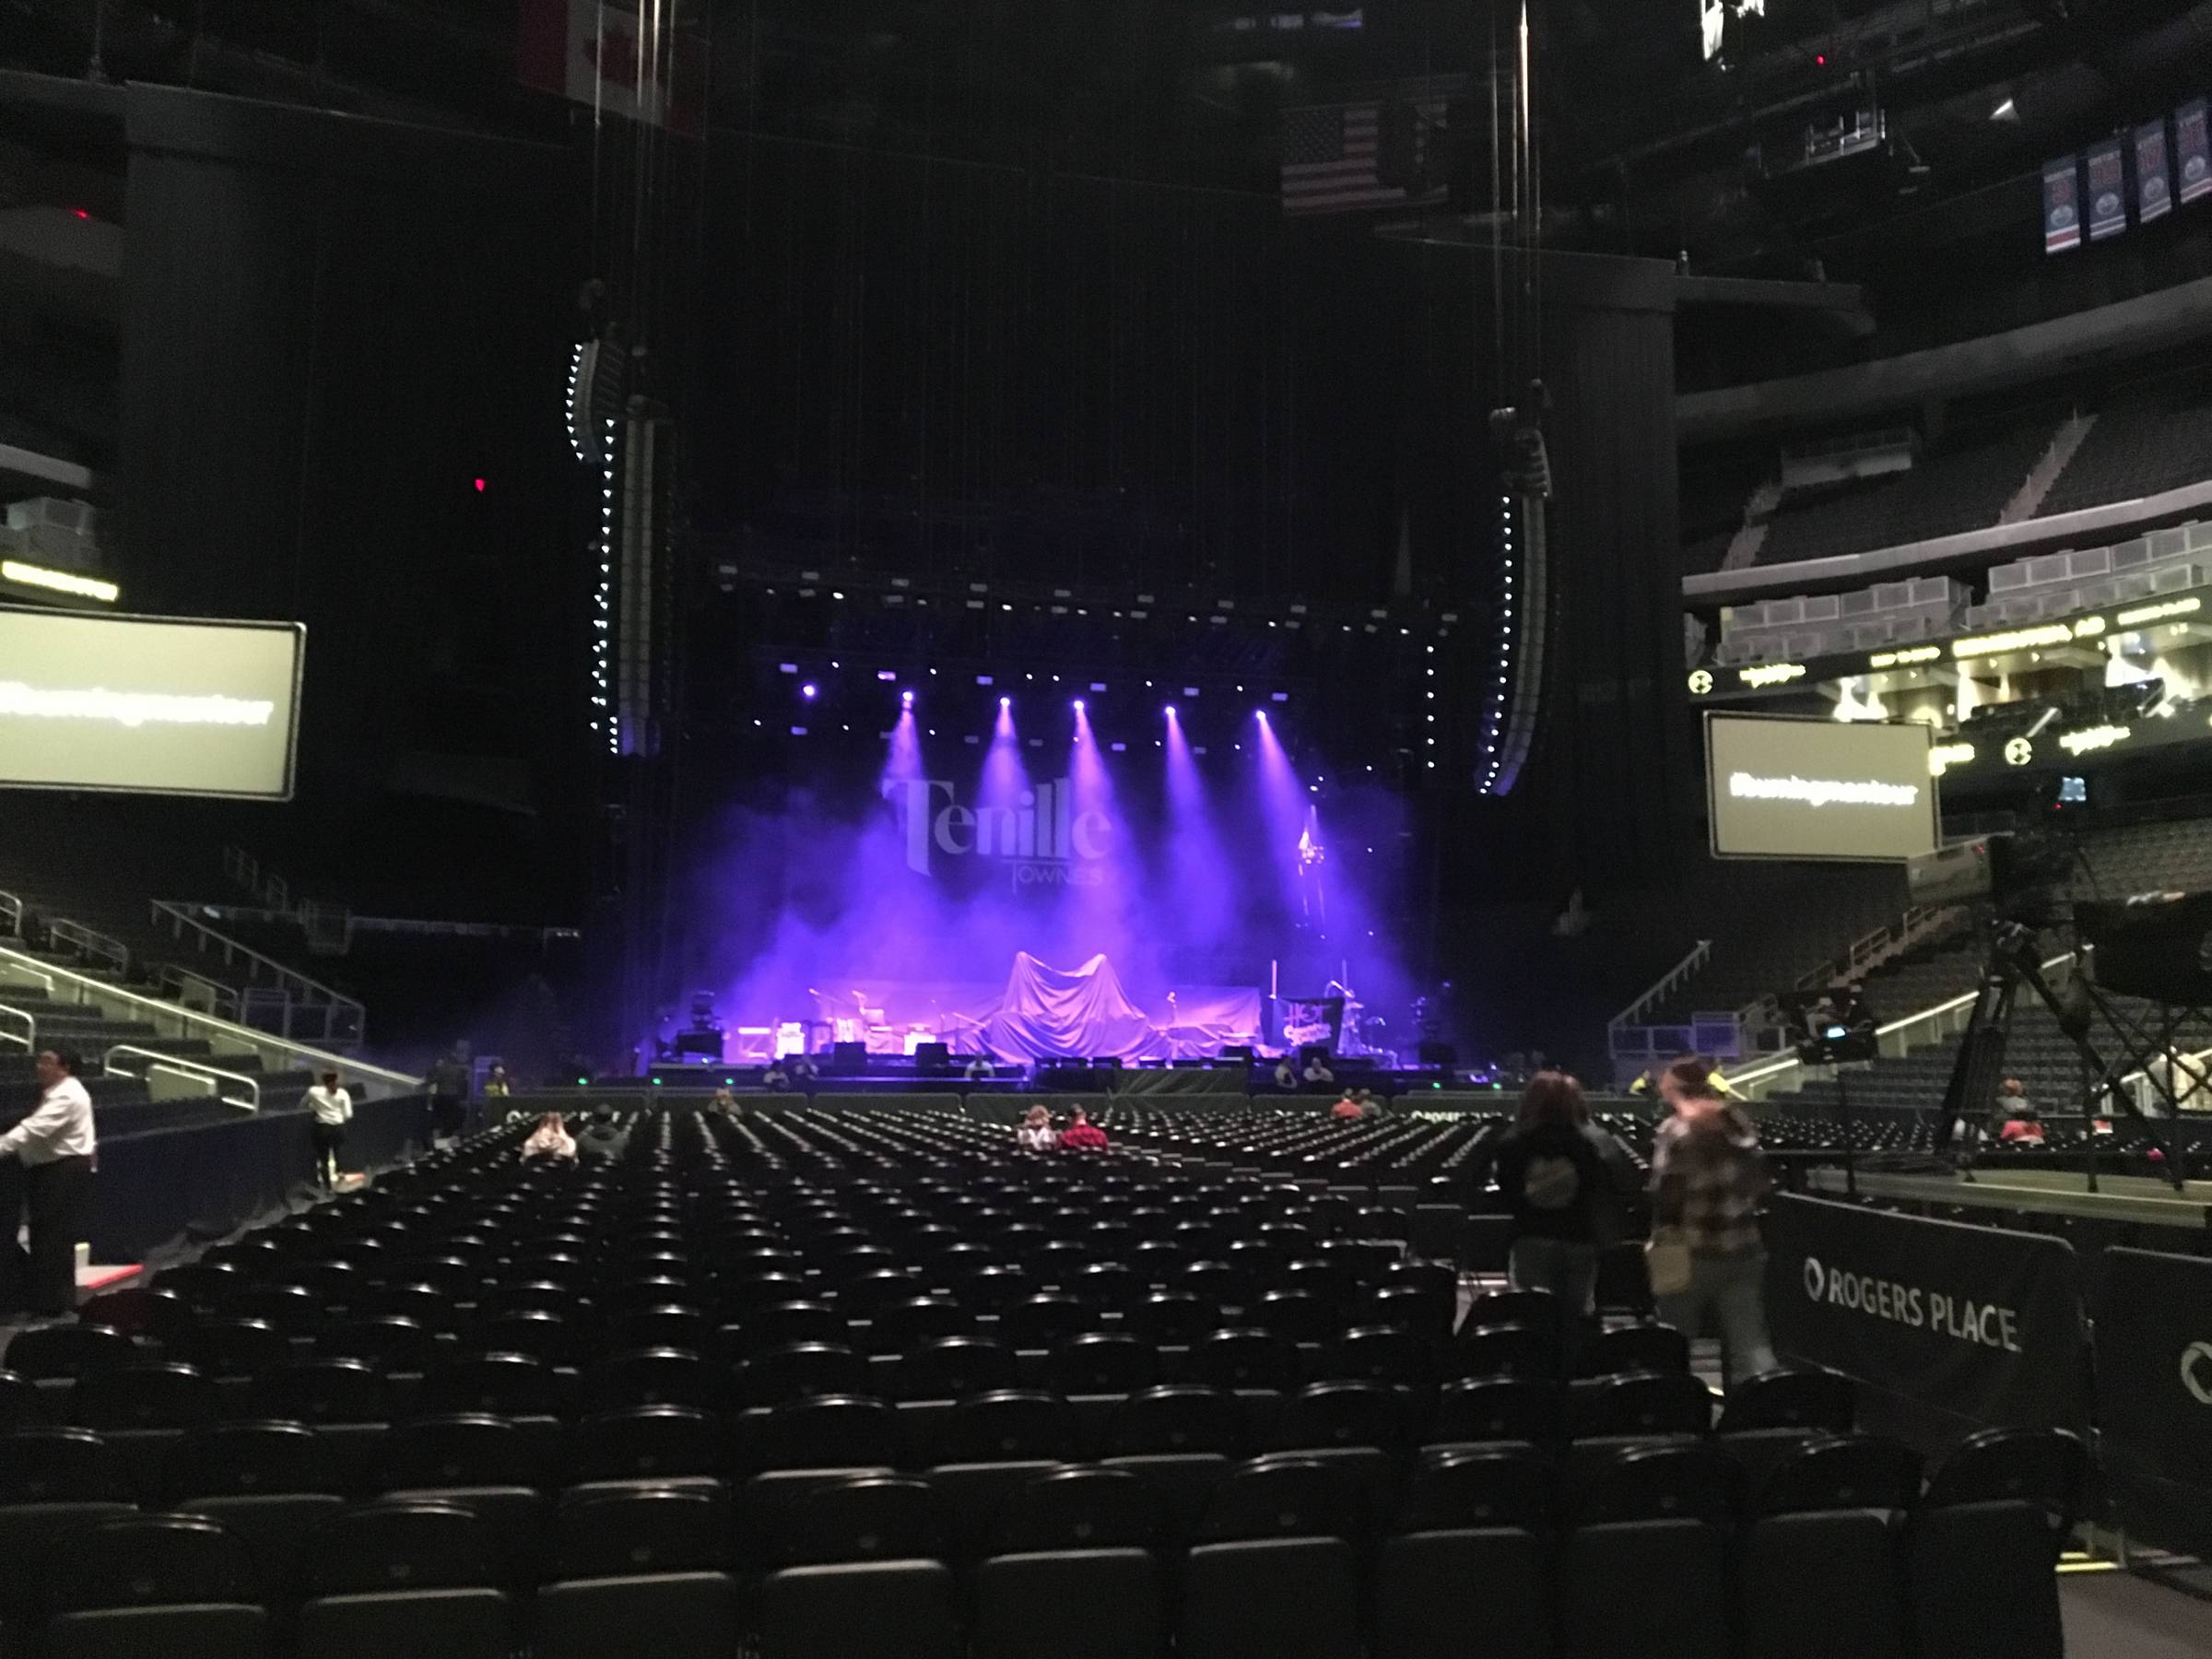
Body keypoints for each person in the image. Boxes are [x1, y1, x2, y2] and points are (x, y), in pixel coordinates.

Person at [1651, 1055, 1777, 1388]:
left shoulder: (1677, 1130)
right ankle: (1767, 1411)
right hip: (1744, 1247)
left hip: (1690, 1252)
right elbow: (1762, 1186)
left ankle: (1676, 1412)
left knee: (1675, 1343)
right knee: (1751, 1343)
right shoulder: (1741, 1127)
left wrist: (1661, 1236)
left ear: (1676, 1090)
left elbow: (1667, 1193)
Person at [1490, 1070, 1610, 1347]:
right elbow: (1598, 1189)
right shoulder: (1590, 1143)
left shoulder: (1512, 1144)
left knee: (1534, 1319)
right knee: (1576, 1317)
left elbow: (1506, 1193)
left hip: (1530, 1237)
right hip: (1579, 1237)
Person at [0, 1048, 97, 1317]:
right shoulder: (56, 1091)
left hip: (60, 1172)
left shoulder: (67, 1095)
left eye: (47, 1062)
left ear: (64, 1068)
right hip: (55, 1171)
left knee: (51, 1239)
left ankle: (50, 1307)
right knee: (49, 1237)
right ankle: (54, 1302)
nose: (39, 1066)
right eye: (40, 1060)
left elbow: (33, 1129)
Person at [304, 1069, 353, 1191]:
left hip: (323, 1129)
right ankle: (341, 1182)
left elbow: (304, 1104)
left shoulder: (314, 1091)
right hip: (339, 1129)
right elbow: (348, 1114)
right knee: (338, 1154)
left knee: (324, 1158)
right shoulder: (343, 1093)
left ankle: (328, 1187)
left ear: (322, 1080)